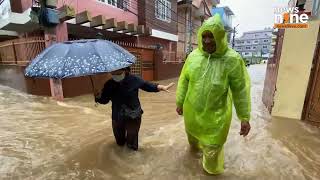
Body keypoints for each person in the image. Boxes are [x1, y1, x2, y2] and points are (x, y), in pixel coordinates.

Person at [176, 14, 251, 175]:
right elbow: (184, 80)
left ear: (220, 37)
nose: (207, 41)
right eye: (204, 36)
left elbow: (240, 91)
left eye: (211, 36)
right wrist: (179, 102)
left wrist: (244, 117)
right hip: (192, 115)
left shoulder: (232, 60)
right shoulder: (193, 57)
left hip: (216, 120)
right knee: (193, 147)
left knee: (211, 160)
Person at [95, 67, 174, 151]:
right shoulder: (109, 84)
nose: (115, 75)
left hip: (133, 115)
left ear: (125, 70)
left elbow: (147, 86)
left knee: (131, 145)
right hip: (117, 116)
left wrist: (160, 87)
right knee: (119, 142)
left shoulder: (134, 79)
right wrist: (98, 97)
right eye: (113, 73)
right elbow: (104, 100)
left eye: (118, 73)